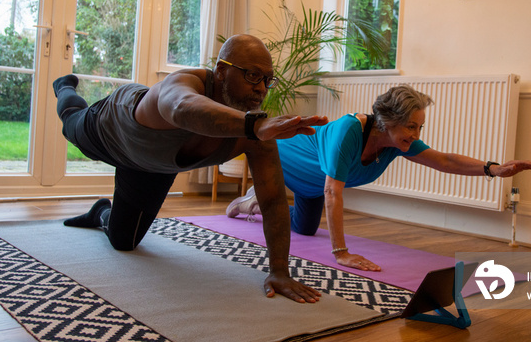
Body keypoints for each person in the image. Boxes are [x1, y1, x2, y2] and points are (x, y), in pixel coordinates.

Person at [54, 34, 327, 304]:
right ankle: (65, 87)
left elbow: (273, 200)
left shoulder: (255, 131)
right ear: (221, 71)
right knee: (70, 123)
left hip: (151, 166)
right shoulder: (185, 83)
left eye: (268, 80)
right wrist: (253, 126)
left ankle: (100, 211)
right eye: (253, 76)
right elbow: (181, 106)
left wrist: (279, 271)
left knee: (124, 241)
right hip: (113, 127)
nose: (262, 89)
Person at [226, 85, 531, 272]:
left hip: (313, 186)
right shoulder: (349, 130)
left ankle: (253, 201)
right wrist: (341, 253)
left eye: (420, 128)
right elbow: (333, 193)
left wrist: (493, 169)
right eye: (411, 127)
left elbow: (443, 159)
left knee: (306, 229)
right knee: (286, 210)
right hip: (285, 160)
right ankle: (262, 198)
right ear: (389, 121)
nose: (416, 135)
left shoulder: (396, 143)